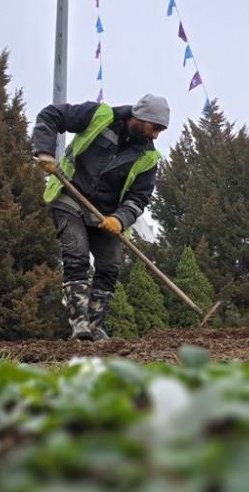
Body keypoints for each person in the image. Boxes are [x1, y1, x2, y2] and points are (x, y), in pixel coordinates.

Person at [32, 94, 170, 340]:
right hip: (70, 196)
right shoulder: (99, 115)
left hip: (107, 214)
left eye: (161, 130)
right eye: (155, 127)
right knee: (76, 254)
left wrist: (120, 219)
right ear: (139, 117)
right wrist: (44, 150)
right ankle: (80, 324)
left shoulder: (149, 159)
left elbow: (139, 198)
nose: (156, 135)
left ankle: (94, 327)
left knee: (109, 267)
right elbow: (51, 115)